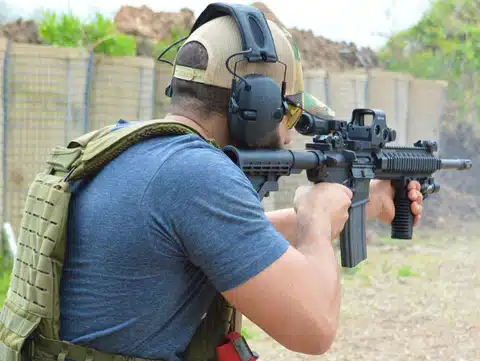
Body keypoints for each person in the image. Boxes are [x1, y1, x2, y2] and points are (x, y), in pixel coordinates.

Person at [58, 5, 424, 361]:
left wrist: (365, 204)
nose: (290, 135)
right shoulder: (196, 175)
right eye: (291, 113)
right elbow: (315, 329)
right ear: (259, 106)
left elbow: (235, 238)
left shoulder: (133, 148)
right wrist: (315, 221)